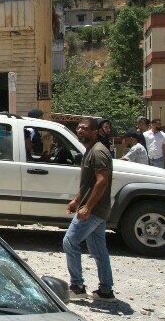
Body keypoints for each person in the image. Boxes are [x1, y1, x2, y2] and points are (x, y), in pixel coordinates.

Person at [63, 117, 116, 303]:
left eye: (84, 128)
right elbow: (90, 183)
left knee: (70, 241)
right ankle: (106, 291)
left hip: (94, 210)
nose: (80, 131)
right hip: (96, 210)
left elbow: (102, 181)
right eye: (78, 128)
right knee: (98, 249)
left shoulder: (99, 152)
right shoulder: (90, 151)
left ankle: (77, 287)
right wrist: (77, 200)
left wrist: (88, 207)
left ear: (95, 131)